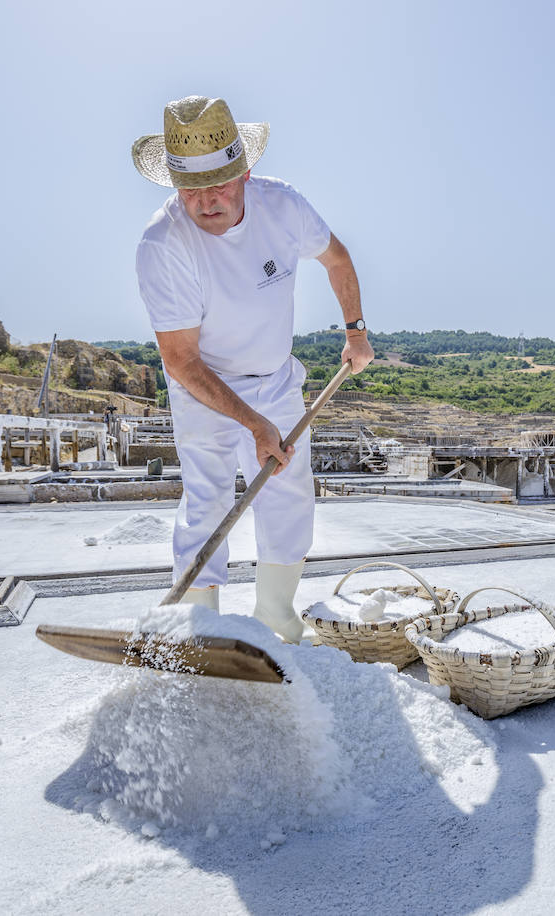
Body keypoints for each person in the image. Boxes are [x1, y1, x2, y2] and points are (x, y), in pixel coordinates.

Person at [132, 95, 373, 642]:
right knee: (209, 502)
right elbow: (181, 360)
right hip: (204, 388)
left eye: (218, 182)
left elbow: (336, 258)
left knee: (289, 498)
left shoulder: (283, 208)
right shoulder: (162, 245)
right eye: (190, 188)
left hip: (276, 378)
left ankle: (278, 621)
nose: (206, 200)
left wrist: (355, 330)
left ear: (246, 172)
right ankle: (197, 630)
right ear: (172, 185)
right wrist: (253, 423)